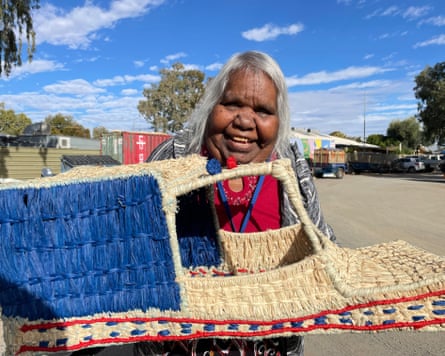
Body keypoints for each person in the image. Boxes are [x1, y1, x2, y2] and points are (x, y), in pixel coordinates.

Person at [134, 50, 336, 356]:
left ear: (279, 121)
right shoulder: (171, 158)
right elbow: (132, 250)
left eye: (263, 111)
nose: (244, 120)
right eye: (232, 104)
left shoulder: (291, 169)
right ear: (212, 106)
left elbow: (324, 247)